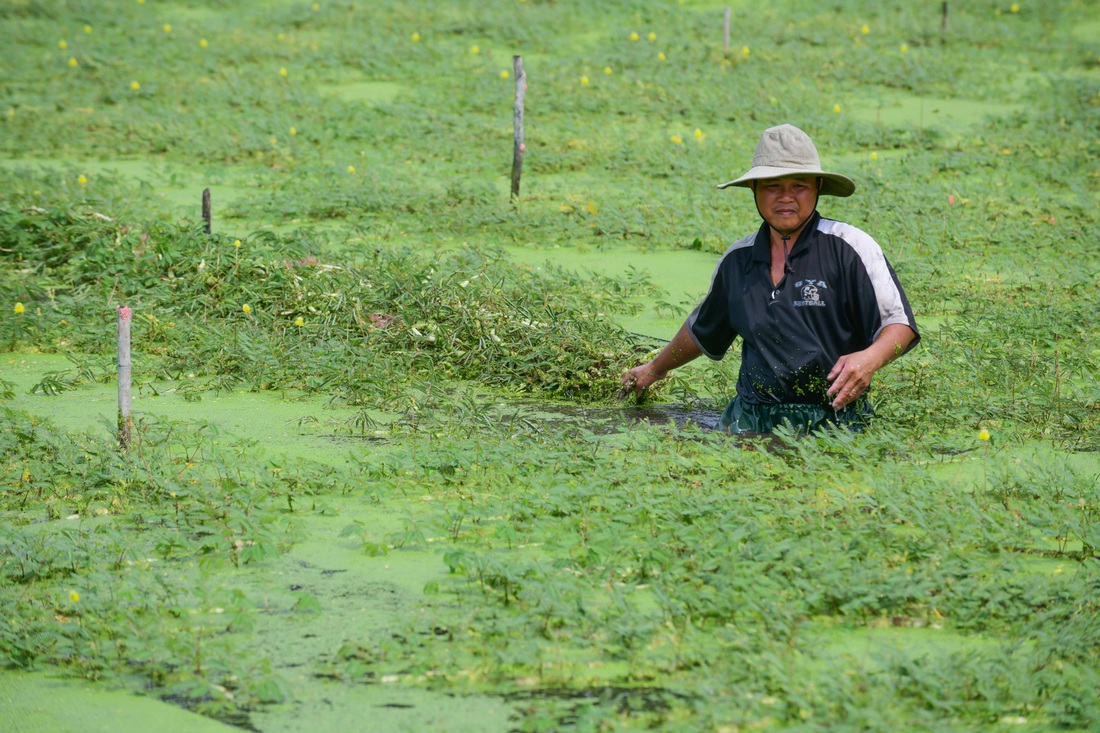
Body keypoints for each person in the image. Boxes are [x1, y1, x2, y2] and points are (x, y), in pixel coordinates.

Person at [622, 124, 919, 435]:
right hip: (749, 421)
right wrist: (653, 370)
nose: (786, 197)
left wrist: (869, 360)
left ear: (817, 187)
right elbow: (702, 331)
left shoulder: (850, 247)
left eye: (799, 186)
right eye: (772, 186)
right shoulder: (738, 261)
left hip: (834, 421)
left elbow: (900, 325)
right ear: (754, 190)